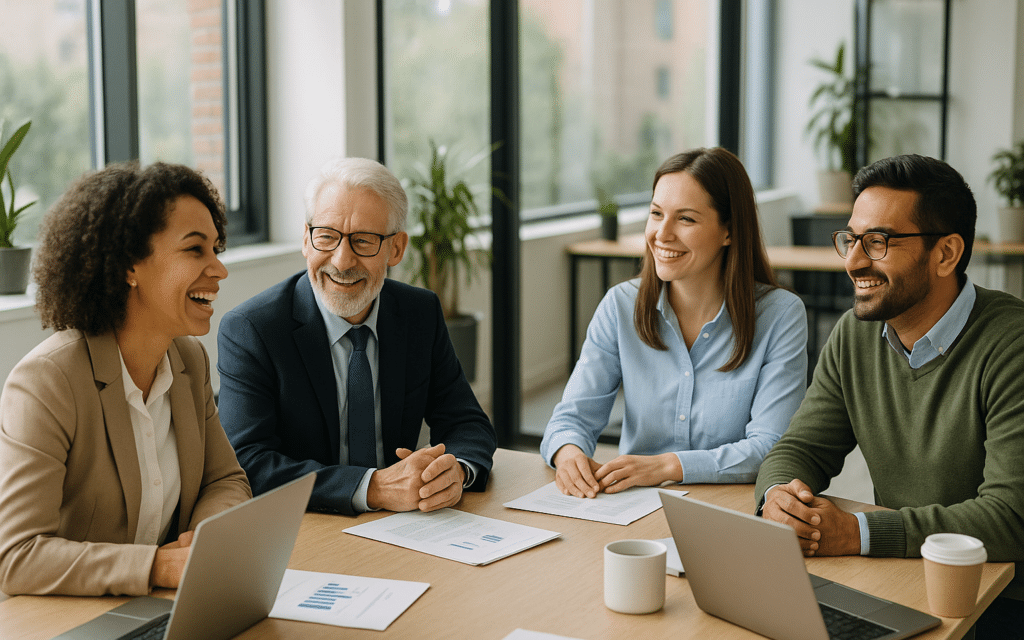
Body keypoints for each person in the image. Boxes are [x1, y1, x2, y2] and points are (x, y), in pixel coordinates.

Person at [754, 154, 1024, 640]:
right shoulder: (856, 335)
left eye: (877, 243)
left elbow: (1010, 518)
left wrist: (858, 533)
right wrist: (777, 499)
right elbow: (800, 450)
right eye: (850, 239)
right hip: (905, 578)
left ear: (946, 253)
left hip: (1000, 600)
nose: (854, 261)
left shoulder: (1011, 344)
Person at [0, 162, 251, 597]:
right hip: (64, 625)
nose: (219, 269)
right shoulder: (48, 381)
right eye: (195, 250)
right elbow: (17, 556)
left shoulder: (188, 362)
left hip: (161, 609)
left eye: (216, 249)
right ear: (128, 267)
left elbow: (225, 481)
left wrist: (206, 538)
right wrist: (156, 566)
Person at [217, 157, 495, 517]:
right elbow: (247, 463)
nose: (343, 260)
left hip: (406, 525)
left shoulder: (419, 313)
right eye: (327, 237)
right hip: (308, 526)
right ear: (306, 239)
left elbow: (467, 422)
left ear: (396, 249)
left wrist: (455, 471)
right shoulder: (252, 329)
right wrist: (373, 488)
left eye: (363, 241)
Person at [541, 147, 808, 497]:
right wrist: (568, 452)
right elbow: (571, 418)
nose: (661, 234)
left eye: (686, 219)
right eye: (656, 214)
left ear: (729, 231)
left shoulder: (781, 315)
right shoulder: (620, 306)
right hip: (634, 507)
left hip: (730, 506)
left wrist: (667, 466)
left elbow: (771, 446)